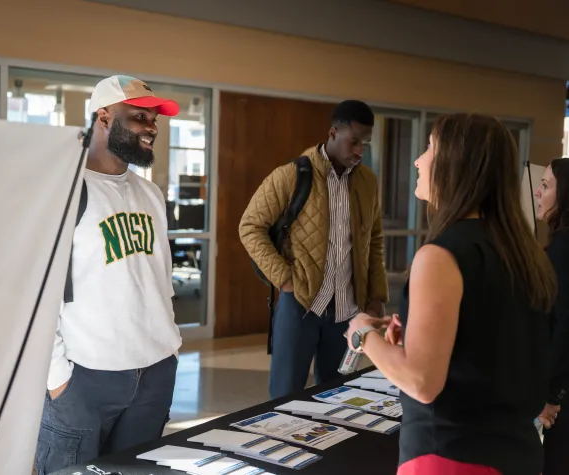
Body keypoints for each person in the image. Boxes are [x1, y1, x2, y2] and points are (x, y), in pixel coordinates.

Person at [346, 113, 556, 475]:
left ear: (457, 165)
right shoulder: (524, 254)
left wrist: (363, 335)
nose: (418, 160)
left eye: (429, 148)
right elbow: (487, 346)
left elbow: (423, 383)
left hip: (449, 457)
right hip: (516, 453)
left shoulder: (441, 255)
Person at [35, 75, 182, 475]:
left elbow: (159, 279)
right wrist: (57, 378)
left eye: (153, 119)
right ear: (103, 117)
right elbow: (37, 291)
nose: (151, 127)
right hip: (85, 379)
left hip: (153, 374)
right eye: (138, 117)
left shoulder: (150, 194)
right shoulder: (65, 188)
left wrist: (167, 354)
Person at [239, 100, 388, 400]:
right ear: (333, 133)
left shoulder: (368, 182)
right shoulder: (292, 175)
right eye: (354, 142)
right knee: (285, 396)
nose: (359, 151)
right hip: (301, 305)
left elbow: (373, 240)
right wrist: (285, 280)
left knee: (337, 395)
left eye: (365, 144)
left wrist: (376, 297)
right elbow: (250, 226)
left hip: (347, 308)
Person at [534, 158, 569, 475]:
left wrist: (551, 396)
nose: (537, 192)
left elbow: (564, 331)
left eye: (545, 186)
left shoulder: (562, 250)